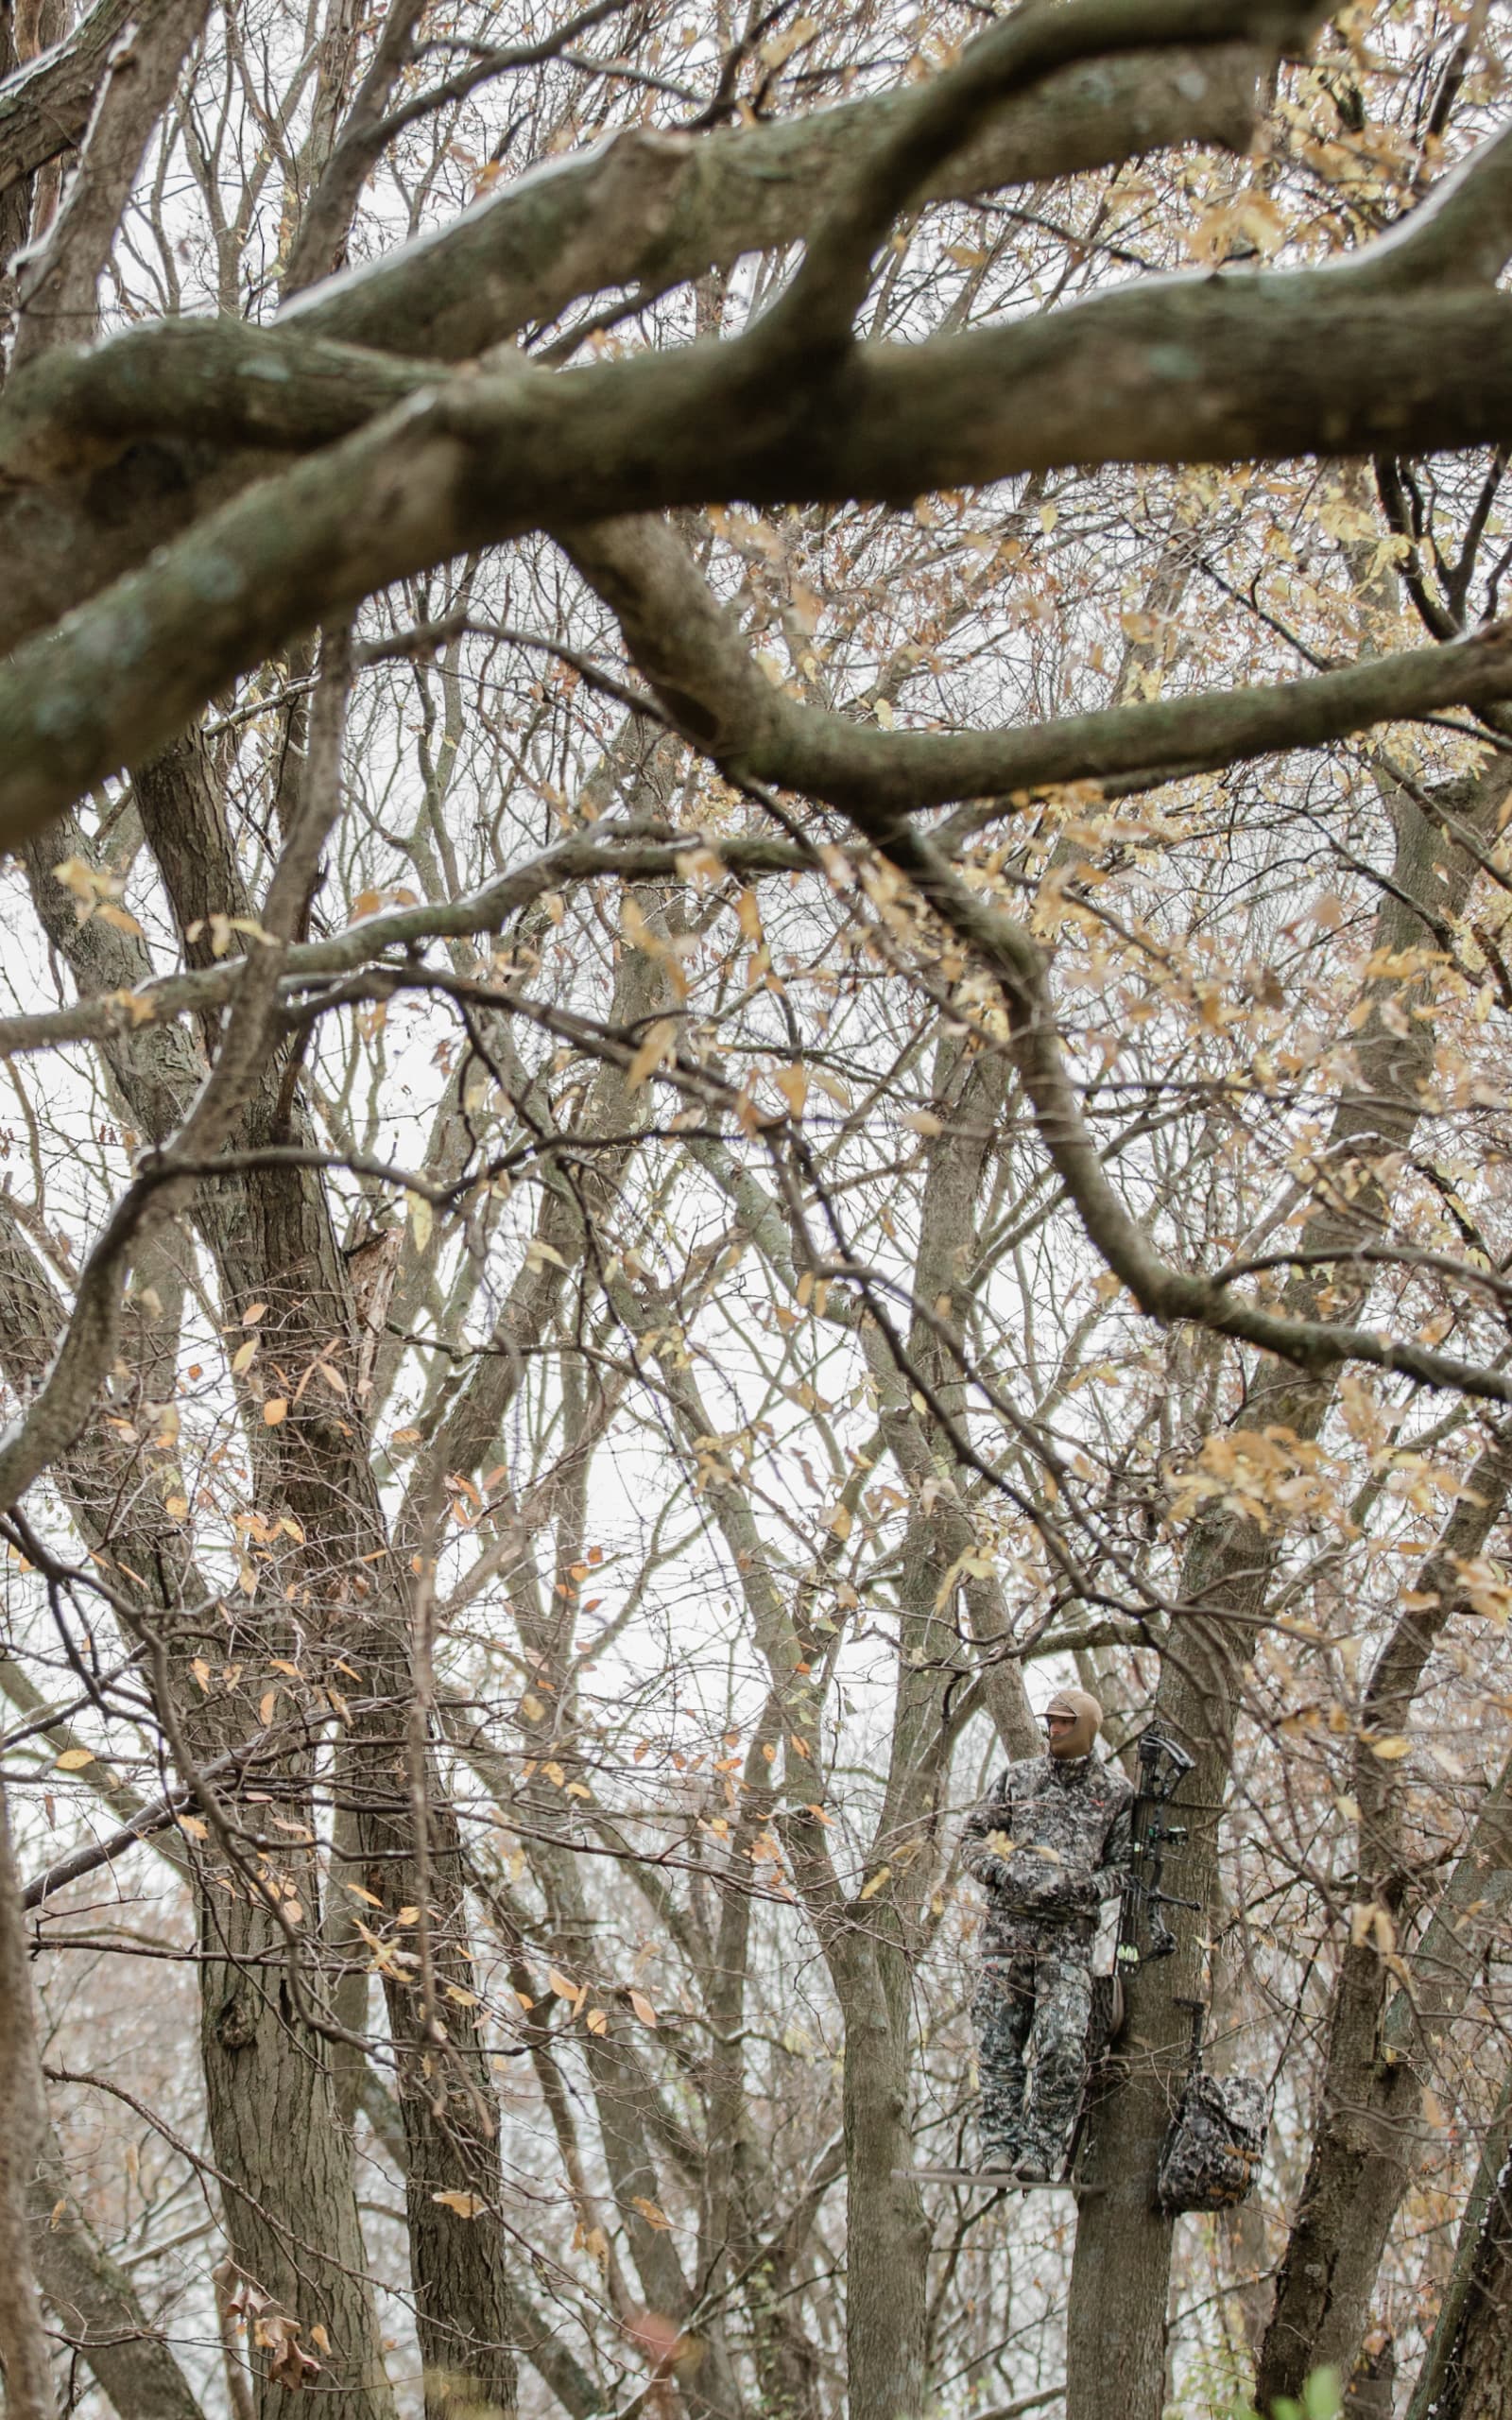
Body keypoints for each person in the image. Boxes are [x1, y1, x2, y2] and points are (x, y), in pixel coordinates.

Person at [959, 1687, 1133, 2182]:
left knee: (1062, 2045)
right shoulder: (1019, 1778)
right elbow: (972, 1836)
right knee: (997, 2043)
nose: (1053, 1731)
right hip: (1005, 1935)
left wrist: (1081, 1890)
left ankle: (1039, 2150)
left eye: (1063, 1723)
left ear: (1084, 1728)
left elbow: (1123, 1868)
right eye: (1050, 1722)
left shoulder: (1115, 1793)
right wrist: (1001, 1872)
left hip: (1068, 1942)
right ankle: (998, 2145)